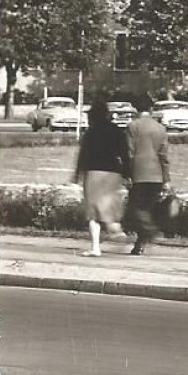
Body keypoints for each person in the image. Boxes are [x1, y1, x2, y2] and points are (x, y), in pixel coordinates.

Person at [74, 100, 130, 257]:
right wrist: (127, 173)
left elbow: (83, 155)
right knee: (109, 206)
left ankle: (95, 247)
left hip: (93, 173)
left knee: (93, 213)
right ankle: (116, 230)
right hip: (113, 173)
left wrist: (77, 174)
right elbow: (125, 154)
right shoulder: (118, 131)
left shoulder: (90, 133)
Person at [124, 92, 171, 255]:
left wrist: (126, 174)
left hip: (138, 173)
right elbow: (164, 155)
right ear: (151, 108)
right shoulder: (160, 128)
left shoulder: (132, 126)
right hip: (156, 174)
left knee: (135, 208)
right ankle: (140, 243)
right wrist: (166, 179)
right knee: (147, 208)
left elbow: (129, 152)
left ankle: (150, 230)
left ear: (135, 108)